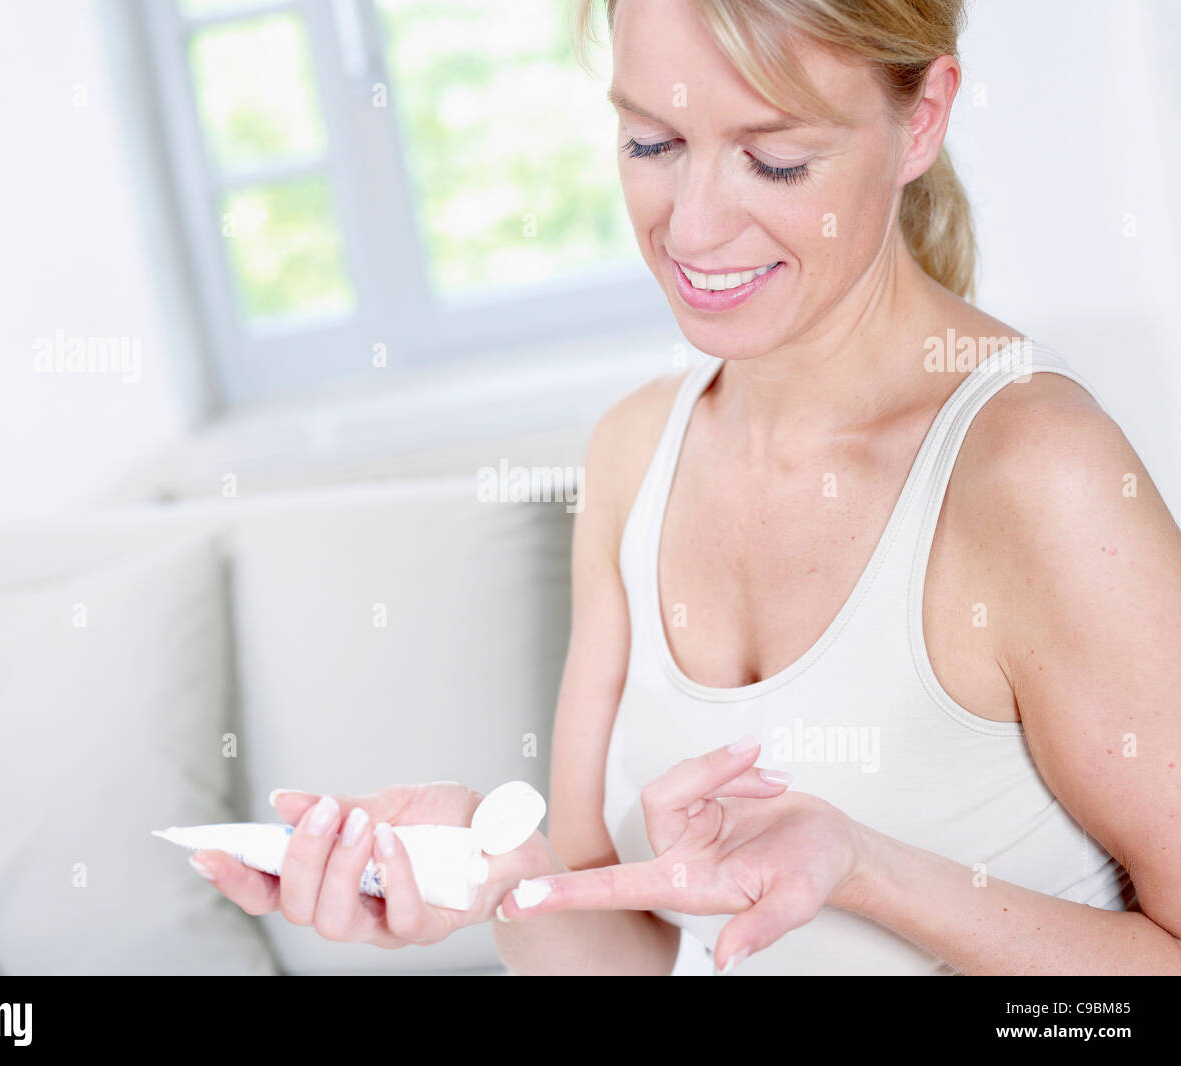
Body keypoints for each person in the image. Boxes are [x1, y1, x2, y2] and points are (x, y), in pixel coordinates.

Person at [190, 0, 1181, 975]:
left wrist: (866, 868)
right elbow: (614, 958)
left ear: (919, 117)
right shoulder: (633, 454)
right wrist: (497, 877)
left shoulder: (1037, 476)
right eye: (652, 144)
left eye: (776, 159)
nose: (694, 228)